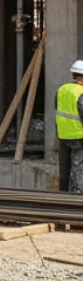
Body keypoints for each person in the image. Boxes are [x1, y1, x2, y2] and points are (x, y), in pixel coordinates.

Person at [55, 59, 83, 193]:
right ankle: (78, 196)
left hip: (63, 134)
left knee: (65, 166)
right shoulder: (81, 92)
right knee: (79, 166)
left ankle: (64, 193)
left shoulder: (61, 89)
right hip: (79, 136)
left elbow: (57, 110)